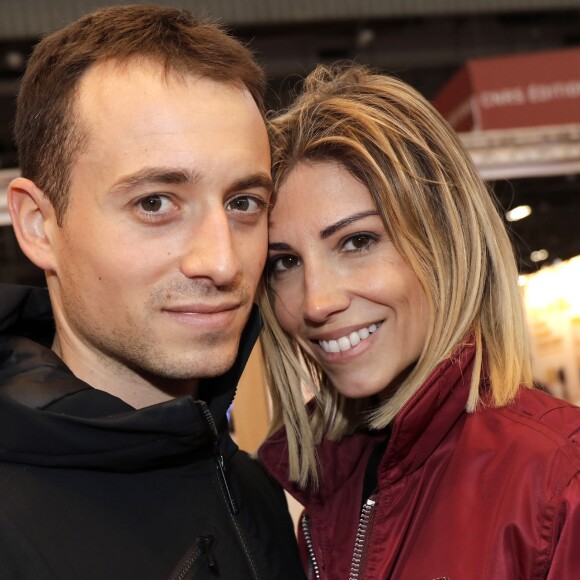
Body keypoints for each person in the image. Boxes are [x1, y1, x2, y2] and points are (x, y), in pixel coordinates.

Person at [0, 5, 305, 579]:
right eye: (155, 203)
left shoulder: (253, 489)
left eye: (243, 203)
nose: (221, 262)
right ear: (39, 224)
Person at [258, 64, 580, 579]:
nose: (315, 302)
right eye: (285, 262)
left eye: (357, 242)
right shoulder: (327, 487)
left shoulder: (561, 483)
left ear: (443, 243)